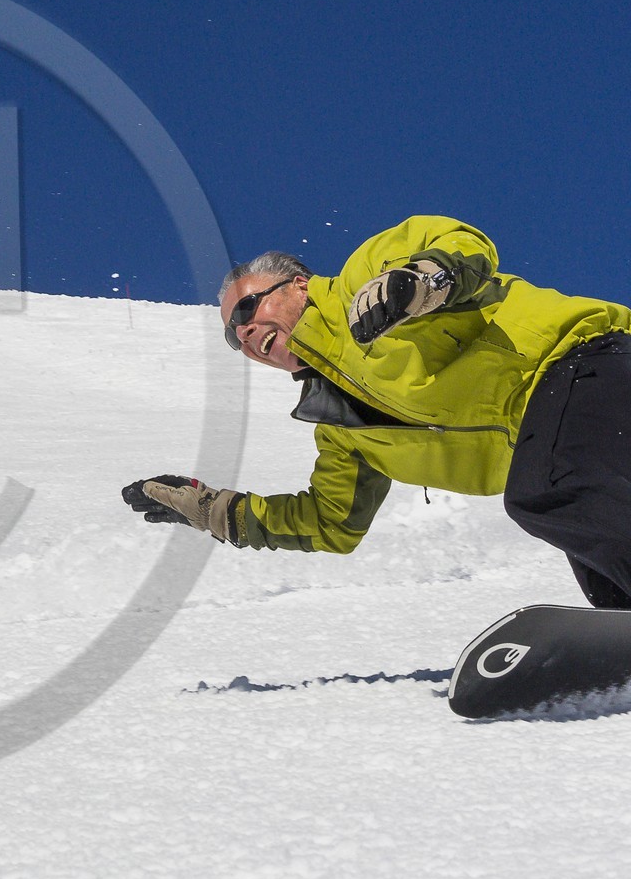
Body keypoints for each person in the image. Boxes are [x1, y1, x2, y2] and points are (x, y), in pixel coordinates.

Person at [123, 214, 631, 608]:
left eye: (245, 312)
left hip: (586, 361)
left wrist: (421, 281)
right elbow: (329, 522)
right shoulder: (342, 430)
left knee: (548, 495)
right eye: (234, 339)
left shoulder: (363, 282)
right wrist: (211, 509)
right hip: (566, 441)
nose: (245, 335)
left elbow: (464, 242)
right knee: (609, 586)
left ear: (297, 285)